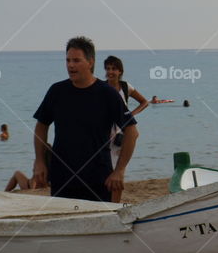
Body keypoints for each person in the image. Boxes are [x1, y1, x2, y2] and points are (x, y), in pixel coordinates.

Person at [33, 36, 139, 202]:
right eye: (68, 60)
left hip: (97, 177)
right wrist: (39, 161)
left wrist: (119, 171)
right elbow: (41, 125)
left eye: (76, 60)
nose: (70, 65)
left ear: (90, 62)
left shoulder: (107, 94)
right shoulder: (57, 91)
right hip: (62, 177)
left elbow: (132, 132)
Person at [104, 56, 149, 170]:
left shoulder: (125, 87)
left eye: (114, 69)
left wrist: (131, 115)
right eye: (108, 68)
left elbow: (144, 102)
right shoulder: (101, 88)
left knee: (119, 167)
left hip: (123, 133)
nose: (110, 72)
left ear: (120, 71)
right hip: (105, 133)